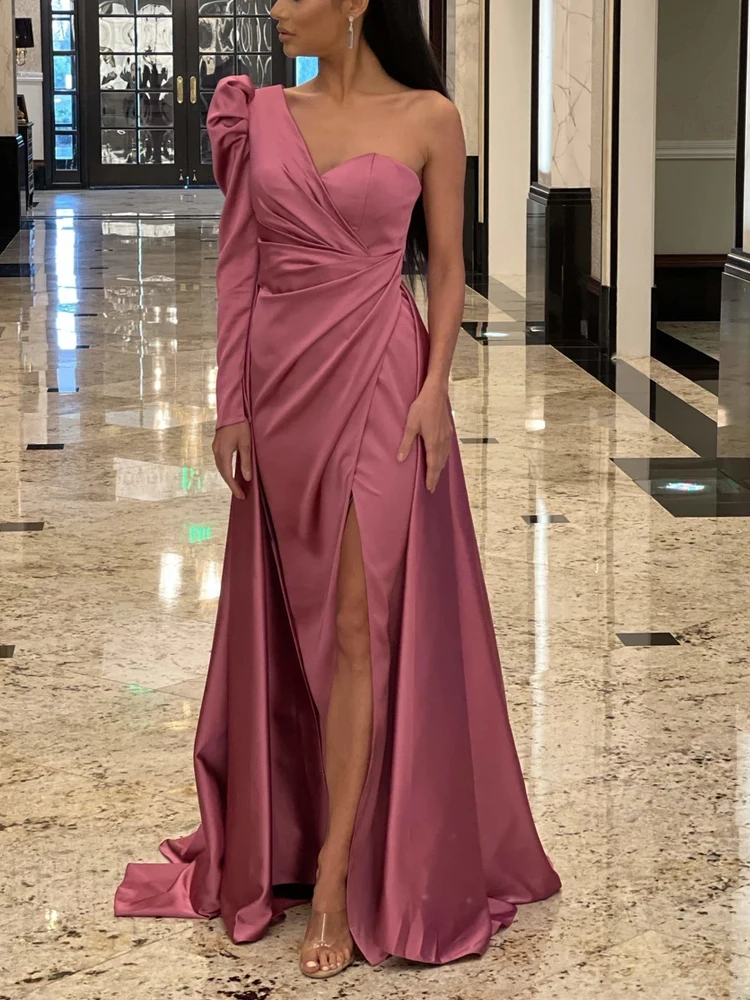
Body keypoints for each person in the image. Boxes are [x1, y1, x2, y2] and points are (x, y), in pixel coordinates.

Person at [114, 0, 561, 981]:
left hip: (381, 379)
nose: (277, 8)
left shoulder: (430, 118)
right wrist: (231, 405)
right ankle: (301, 827)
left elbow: (449, 270)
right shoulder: (261, 113)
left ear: (356, 2)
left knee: (360, 622)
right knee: (294, 623)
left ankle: (336, 873)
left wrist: (435, 387)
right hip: (282, 392)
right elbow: (239, 269)